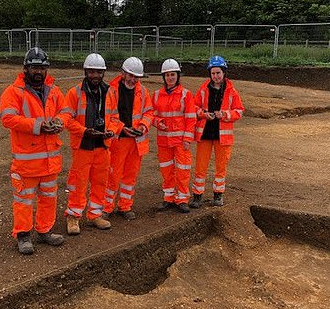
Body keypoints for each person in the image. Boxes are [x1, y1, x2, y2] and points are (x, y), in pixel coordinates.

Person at [0, 47, 66, 255]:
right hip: (27, 162)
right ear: (25, 69)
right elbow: (7, 118)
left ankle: (44, 231)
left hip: (50, 160)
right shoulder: (13, 92)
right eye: (34, 67)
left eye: (42, 68)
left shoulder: (53, 91)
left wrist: (59, 122)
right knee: (24, 200)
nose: (38, 72)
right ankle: (23, 235)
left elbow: (65, 112)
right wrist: (38, 125)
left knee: (48, 198)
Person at [61, 53, 120, 235]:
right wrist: (84, 131)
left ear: (103, 73)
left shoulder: (109, 92)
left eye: (99, 72)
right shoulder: (74, 93)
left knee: (100, 181)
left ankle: (95, 214)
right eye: (92, 71)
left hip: (102, 146)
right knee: (78, 182)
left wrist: (111, 129)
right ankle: (73, 216)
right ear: (86, 72)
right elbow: (66, 119)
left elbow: (115, 117)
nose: (95, 75)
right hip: (83, 145)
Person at [189, 55, 244, 208]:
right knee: (200, 167)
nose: (216, 76)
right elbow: (193, 107)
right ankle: (197, 196)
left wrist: (225, 115)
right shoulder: (203, 89)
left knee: (221, 167)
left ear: (224, 72)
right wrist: (203, 113)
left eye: (218, 73)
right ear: (210, 74)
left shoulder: (232, 91)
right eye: (213, 73)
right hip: (205, 133)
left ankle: (218, 195)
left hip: (222, 136)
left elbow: (239, 111)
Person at [103, 57, 154, 220]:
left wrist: (143, 126)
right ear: (123, 73)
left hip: (136, 141)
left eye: (136, 77)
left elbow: (149, 112)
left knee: (130, 175)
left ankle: (125, 206)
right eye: (130, 75)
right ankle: (107, 207)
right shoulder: (111, 90)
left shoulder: (143, 91)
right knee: (113, 174)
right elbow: (108, 115)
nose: (133, 79)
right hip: (118, 139)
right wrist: (122, 128)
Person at [151, 58, 197, 213]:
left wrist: (187, 139)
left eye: (173, 74)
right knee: (166, 169)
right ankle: (168, 197)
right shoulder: (157, 95)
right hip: (163, 140)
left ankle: (182, 199)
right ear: (163, 77)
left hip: (180, 141)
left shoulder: (185, 94)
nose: (170, 78)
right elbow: (151, 115)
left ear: (178, 75)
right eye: (167, 75)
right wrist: (158, 122)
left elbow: (191, 118)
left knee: (183, 170)